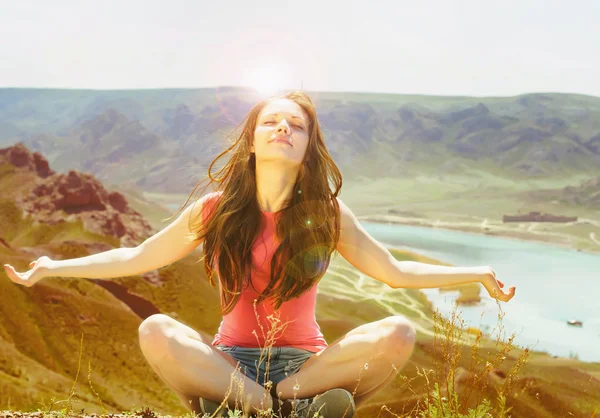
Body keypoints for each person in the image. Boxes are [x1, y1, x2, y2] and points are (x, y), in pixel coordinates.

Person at [4, 91, 516, 418]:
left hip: (308, 366)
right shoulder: (215, 211)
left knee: (398, 333)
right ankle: (264, 406)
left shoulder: (329, 214)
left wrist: (479, 271)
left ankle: (267, 404)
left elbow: (395, 273)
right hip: (228, 363)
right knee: (154, 330)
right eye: (272, 121)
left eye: (297, 125)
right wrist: (53, 266)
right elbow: (138, 256)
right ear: (251, 140)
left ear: (308, 146)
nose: (284, 129)